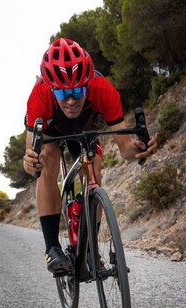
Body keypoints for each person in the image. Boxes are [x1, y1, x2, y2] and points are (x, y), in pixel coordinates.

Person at [22, 37, 156, 274]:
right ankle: (52, 248)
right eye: (63, 94)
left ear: (87, 83)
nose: (71, 101)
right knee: (47, 157)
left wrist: (136, 150)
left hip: (84, 129)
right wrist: (31, 162)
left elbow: (125, 149)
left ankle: (89, 248)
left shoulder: (103, 89)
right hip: (51, 132)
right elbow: (30, 159)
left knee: (93, 164)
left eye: (77, 91)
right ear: (51, 88)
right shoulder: (39, 95)